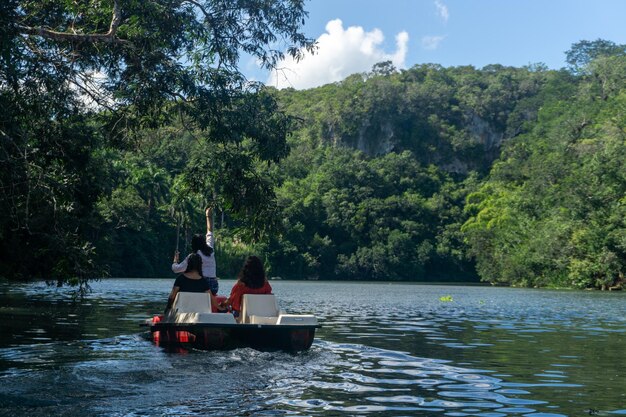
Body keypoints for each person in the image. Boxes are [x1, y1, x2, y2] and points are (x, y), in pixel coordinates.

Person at [172, 207, 218, 294]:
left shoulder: (193, 256)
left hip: (202, 286)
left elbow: (176, 269)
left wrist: (175, 260)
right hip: (214, 286)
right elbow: (210, 231)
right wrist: (208, 216)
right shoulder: (210, 249)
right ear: (204, 242)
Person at [219, 255, 272, 320]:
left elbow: (233, 301)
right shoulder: (265, 284)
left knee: (223, 310)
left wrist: (222, 304)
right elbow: (269, 297)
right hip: (262, 315)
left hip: (242, 316)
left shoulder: (241, 285)